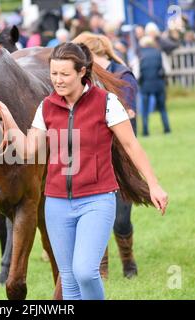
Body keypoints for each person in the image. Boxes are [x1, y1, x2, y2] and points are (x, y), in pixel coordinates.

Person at [0, 43, 168, 300]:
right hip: (57, 204)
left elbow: (130, 145)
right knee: (68, 279)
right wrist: (7, 117)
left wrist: (153, 184)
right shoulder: (46, 107)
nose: (57, 80)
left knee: (84, 272)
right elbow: (27, 150)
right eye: (54, 74)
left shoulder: (107, 103)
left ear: (82, 72)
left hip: (97, 200)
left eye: (64, 74)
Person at [72, 32, 139, 279]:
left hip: (120, 157)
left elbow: (128, 112)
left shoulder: (122, 75)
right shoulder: (82, 80)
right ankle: (102, 271)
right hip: (90, 157)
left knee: (121, 219)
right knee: (94, 217)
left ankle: (129, 262)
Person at [138, 36, 171, 136]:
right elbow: (167, 69)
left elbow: (136, 73)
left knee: (145, 109)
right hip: (159, 83)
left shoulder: (139, 55)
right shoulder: (159, 53)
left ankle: (145, 131)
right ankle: (167, 129)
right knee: (162, 108)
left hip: (145, 84)